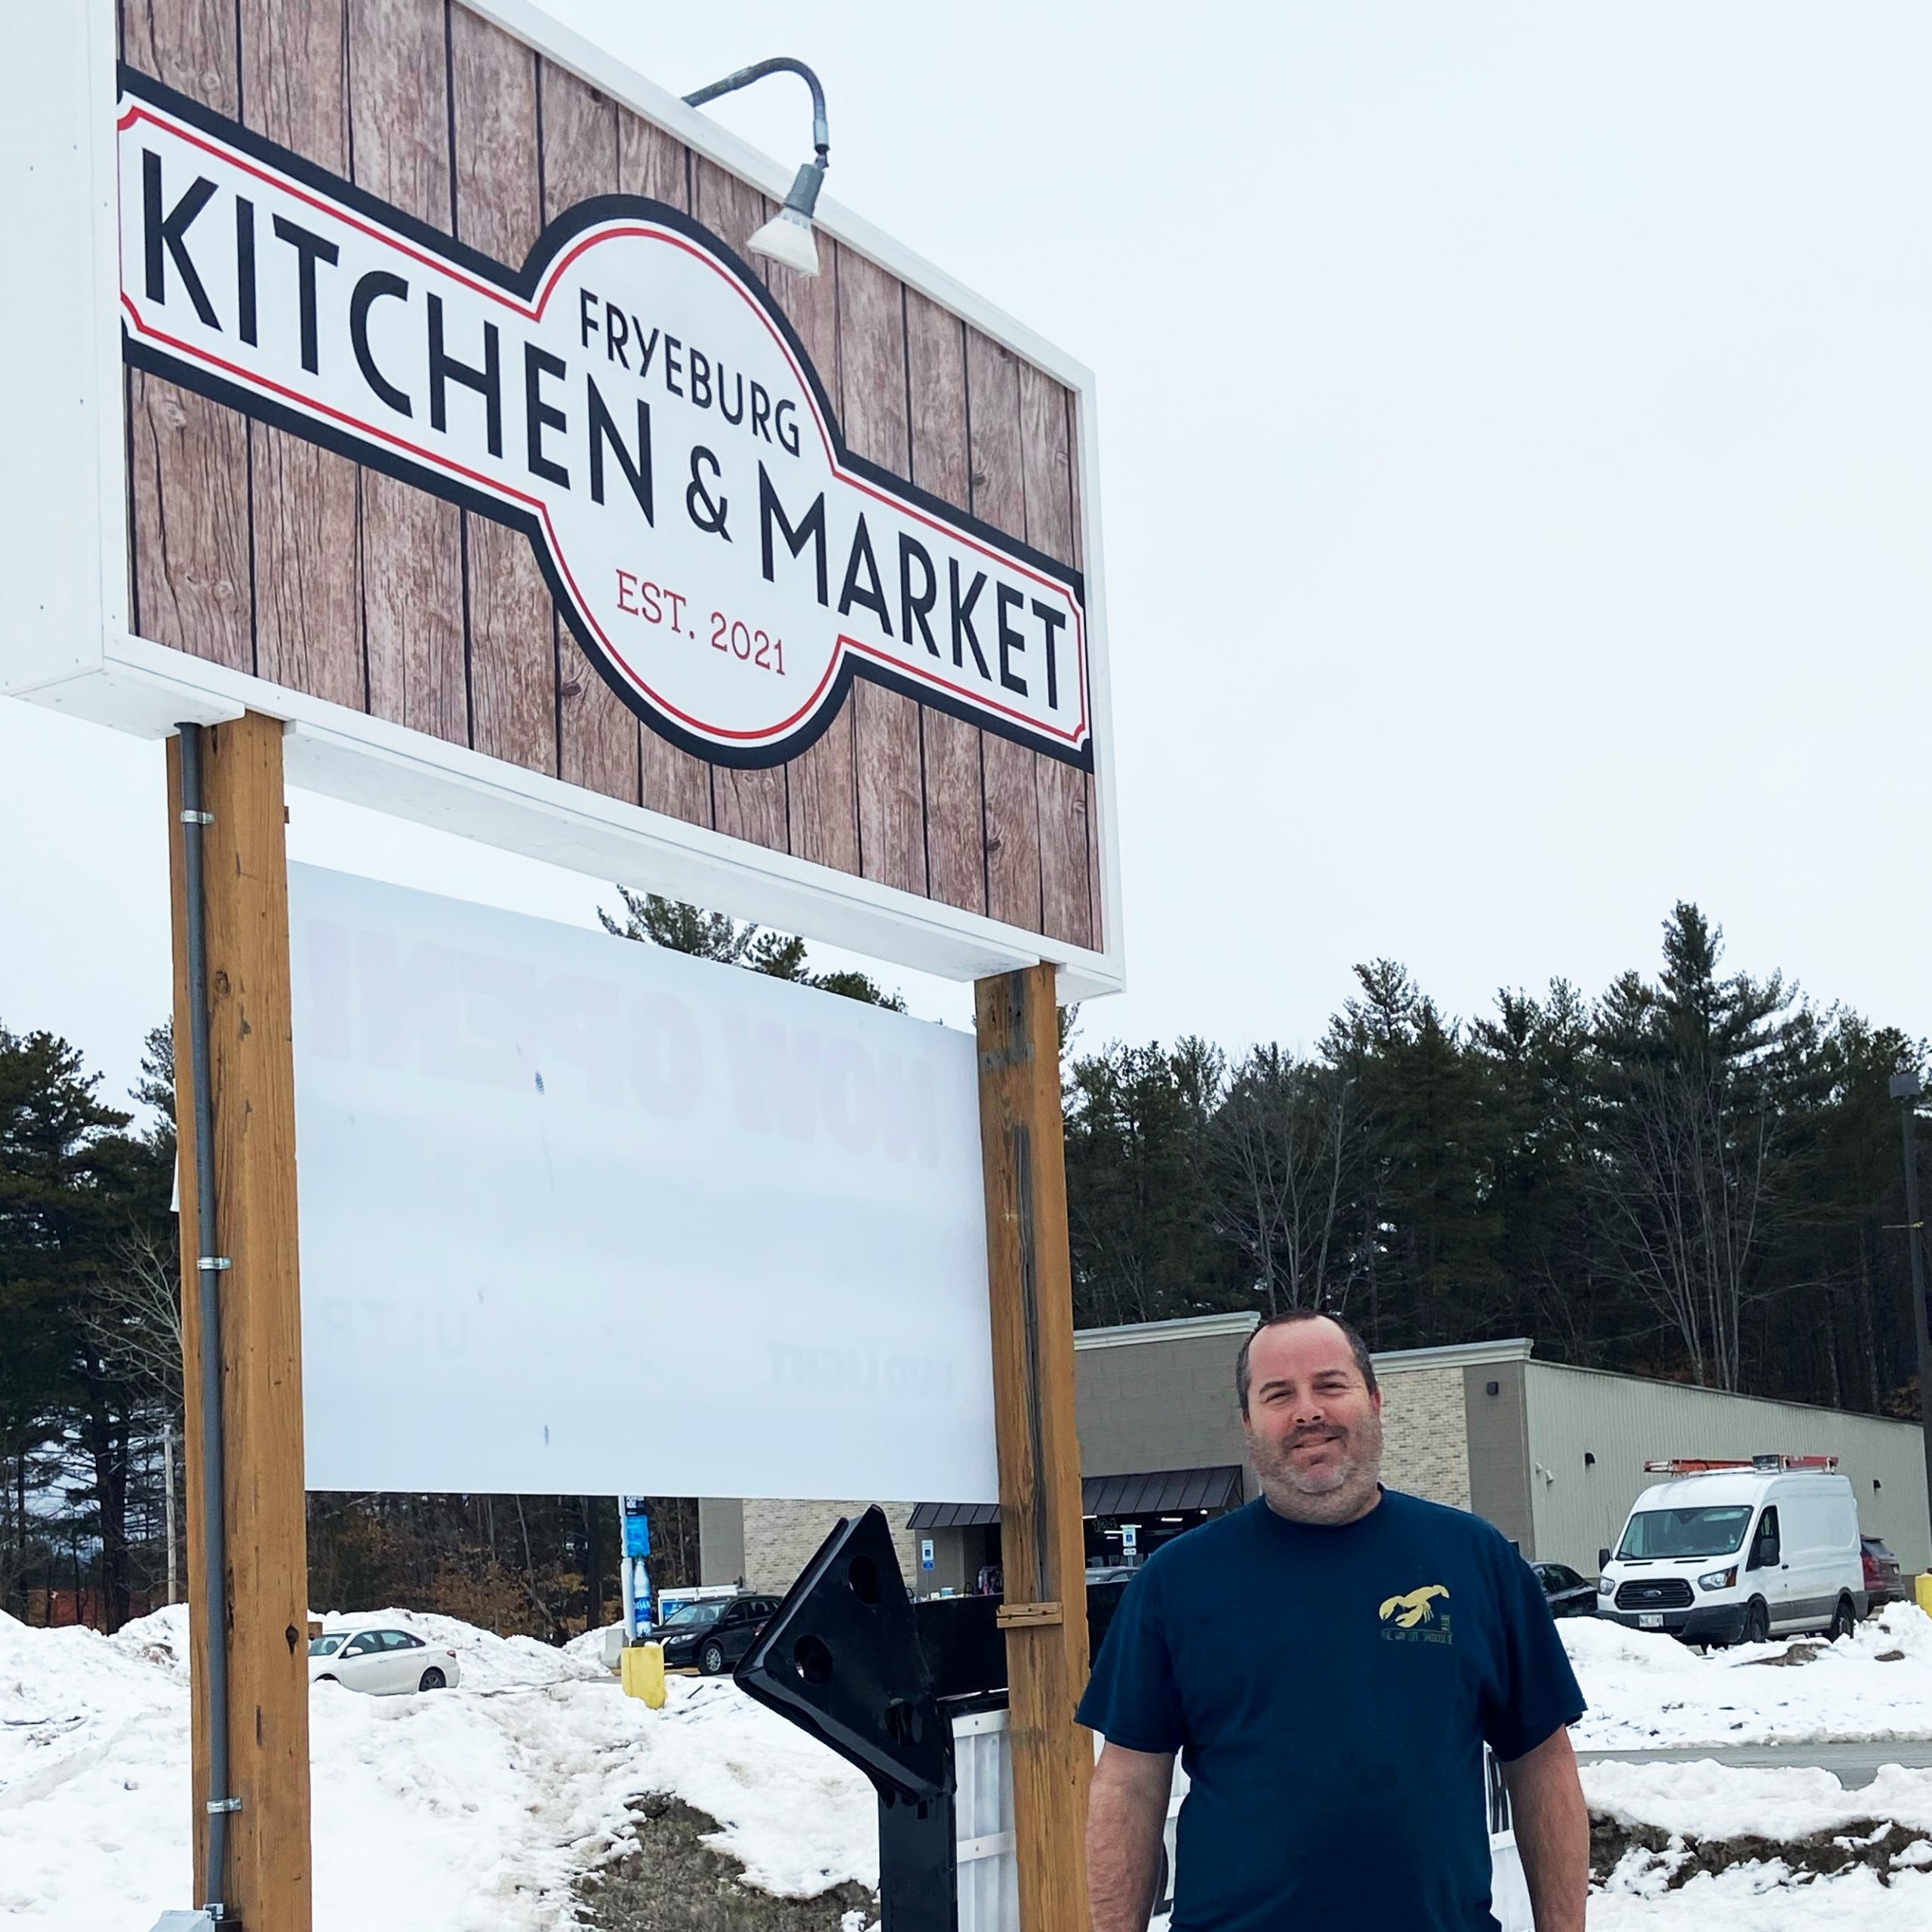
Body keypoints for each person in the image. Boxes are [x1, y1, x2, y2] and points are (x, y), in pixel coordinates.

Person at [1079, 1309, 1589, 1931]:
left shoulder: (1474, 1561)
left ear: (1374, 1400)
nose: (1307, 1411)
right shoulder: (1177, 1581)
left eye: (1330, 1385)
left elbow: (1541, 1764)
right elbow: (1128, 1785)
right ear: (1247, 1422)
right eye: (1278, 1394)